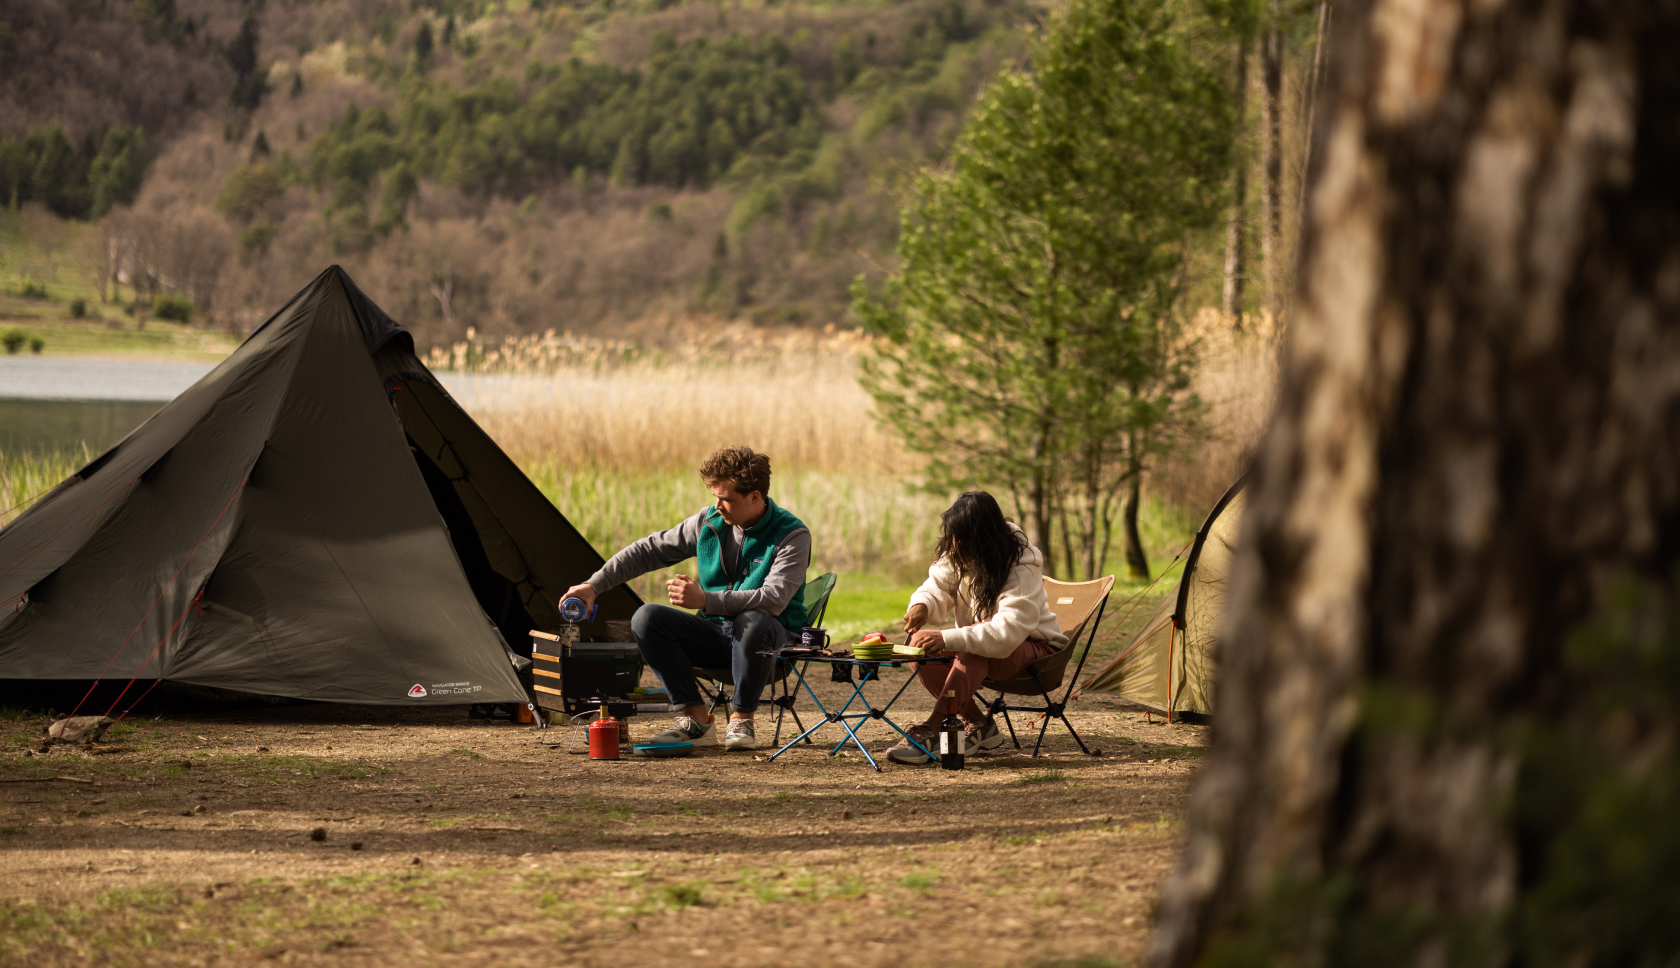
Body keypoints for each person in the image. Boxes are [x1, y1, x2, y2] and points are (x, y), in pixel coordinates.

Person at [560, 446, 811, 751]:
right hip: (717, 637)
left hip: (770, 647)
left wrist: (706, 600)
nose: (717, 505)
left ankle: (742, 719)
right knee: (647, 617)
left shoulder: (792, 534)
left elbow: (773, 599)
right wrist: (593, 585)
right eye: (714, 496)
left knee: (754, 619)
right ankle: (696, 721)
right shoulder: (709, 522)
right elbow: (648, 550)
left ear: (755, 497)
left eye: (726, 499)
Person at [888, 490, 1067, 765]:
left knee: (972, 647)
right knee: (919, 645)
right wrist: (922, 603)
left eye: (963, 538)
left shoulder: (1022, 563)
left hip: (1037, 651)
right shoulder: (961, 549)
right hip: (989, 652)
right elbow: (937, 584)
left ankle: (934, 728)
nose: (956, 544)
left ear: (983, 537)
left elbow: (1005, 633)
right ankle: (978, 724)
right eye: (954, 538)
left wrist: (949, 637)